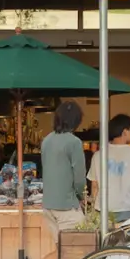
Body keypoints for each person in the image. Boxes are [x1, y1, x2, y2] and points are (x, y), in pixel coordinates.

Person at [39, 99, 88, 231]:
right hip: (67, 205)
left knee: (60, 248)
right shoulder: (74, 142)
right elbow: (79, 178)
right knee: (77, 248)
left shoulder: (46, 140)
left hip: (48, 205)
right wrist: (83, 196)